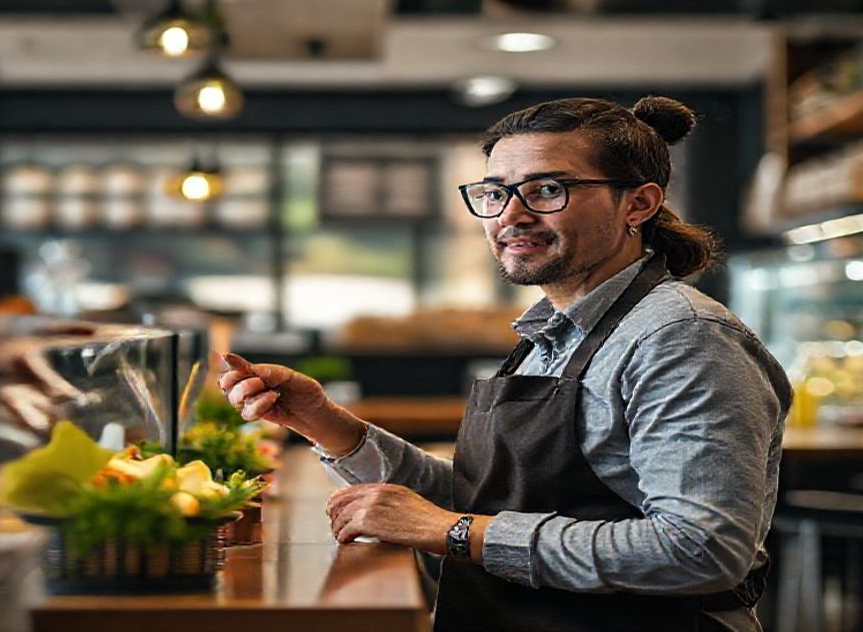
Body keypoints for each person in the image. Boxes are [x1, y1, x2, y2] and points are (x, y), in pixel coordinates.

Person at [219, 95, 792, 632]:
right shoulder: (553, 329)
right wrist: (326, 424)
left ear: (637, 204)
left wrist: (451, 531)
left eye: (546, 190)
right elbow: (493, 503)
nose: (509, 215)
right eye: (495, 193)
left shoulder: (681, 339)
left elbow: (699, 551)